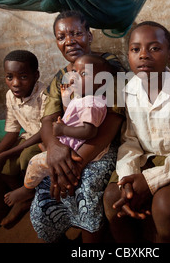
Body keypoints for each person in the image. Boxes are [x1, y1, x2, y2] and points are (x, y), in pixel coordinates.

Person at [103, 21, 170, 242]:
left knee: (165, 205)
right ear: (129, 55)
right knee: (113, 196)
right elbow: (130, 140)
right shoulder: (128, 91)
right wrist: (128, 176)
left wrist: (149, 180)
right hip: (147, 157)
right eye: (136, 49)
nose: (143, 55)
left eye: (154, 48)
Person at [30, 10, 126, 243]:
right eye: (62, 36)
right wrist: (54, 150)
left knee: (86, 187)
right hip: (67, 145)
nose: (69, 41)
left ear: (89, 36)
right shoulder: (60, 77)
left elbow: (113, 120)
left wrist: (75, 164)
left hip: (100, 146)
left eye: (76, 33)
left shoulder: (109, 66)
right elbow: (48, 119)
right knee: (43, 192)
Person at [20, 54, 115, 197]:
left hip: (78, 147)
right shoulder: (80, 97)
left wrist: (63, 129)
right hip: (69, 141)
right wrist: (65, 97)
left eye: (83, 74)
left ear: (101, 82)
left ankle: (26, 189)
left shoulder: (92, 103)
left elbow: (89, 131)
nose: (74, 77)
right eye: (74, 72)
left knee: (34, 162)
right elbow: (70, 113)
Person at [0, 49, 46, 227]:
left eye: (23, 77)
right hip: (26, 137)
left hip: (44, 139)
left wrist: (5, 155)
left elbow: (44, 132)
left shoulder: (44, 94)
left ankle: (31, 195)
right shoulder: (10, 96)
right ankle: (20, 197)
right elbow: (13, 131)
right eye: (9, 77)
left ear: (35, 75)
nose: (15, 83)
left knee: (25, 157)